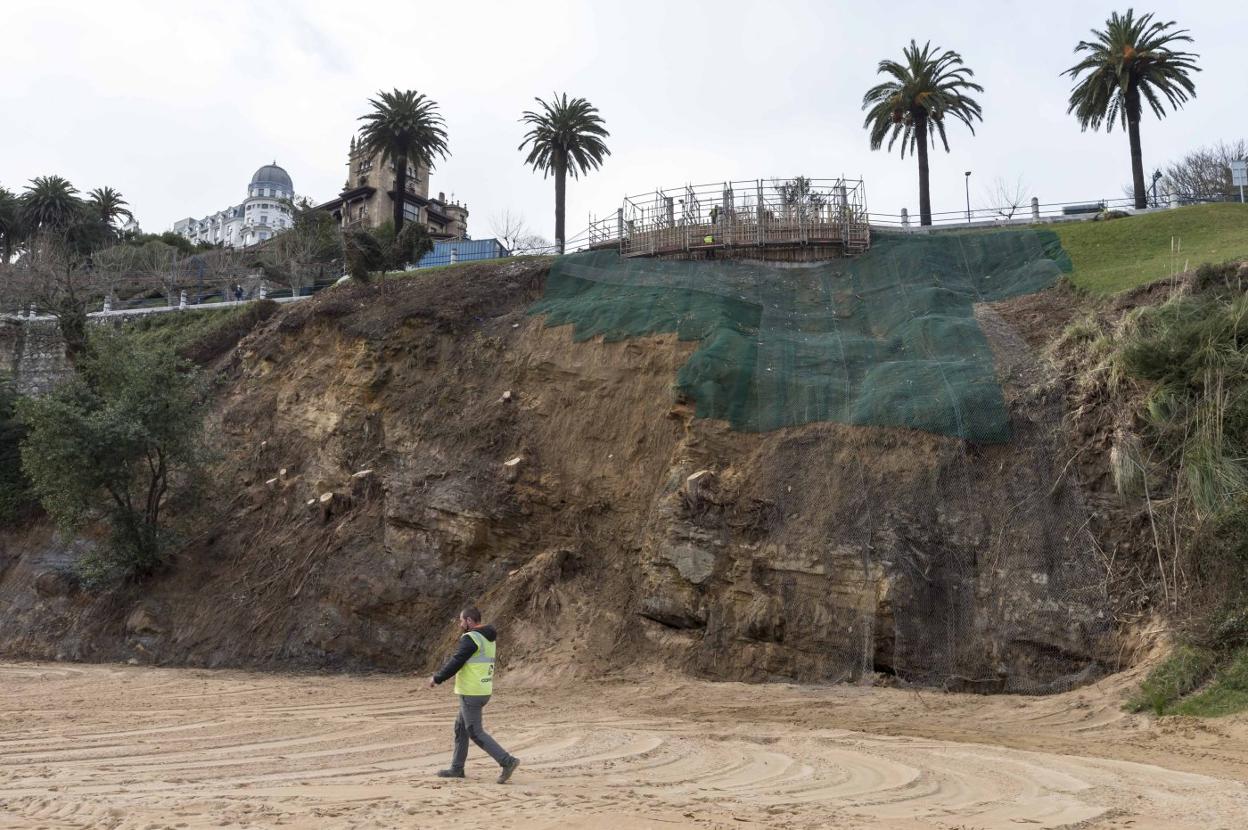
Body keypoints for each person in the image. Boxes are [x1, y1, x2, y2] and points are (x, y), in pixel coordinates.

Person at [428, 606, 520, 783]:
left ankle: (507, 761)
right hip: (482, 690)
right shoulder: (488, 638)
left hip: (472, 692)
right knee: (460, 727)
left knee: (474, 731)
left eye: (462, 620)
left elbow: (457, 661)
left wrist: (437, 678)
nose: (460, 624)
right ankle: (456, 768)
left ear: (469, 621)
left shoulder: (471, 638)